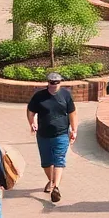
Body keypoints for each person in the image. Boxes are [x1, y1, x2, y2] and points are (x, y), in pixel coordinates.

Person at [27, 73, 77, 203]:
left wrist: (74, 130)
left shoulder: (66, 95)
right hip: (43, 135)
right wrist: (31, 122)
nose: (54, 85)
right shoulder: (39, 96)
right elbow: (30, 110)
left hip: (61, 134)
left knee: (59, 160)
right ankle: (52, 181)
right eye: (52, 83)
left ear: (60, 82)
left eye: (57, 83)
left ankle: (56, 187)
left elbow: (72, 113)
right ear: (48, 83)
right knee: (46, 162)